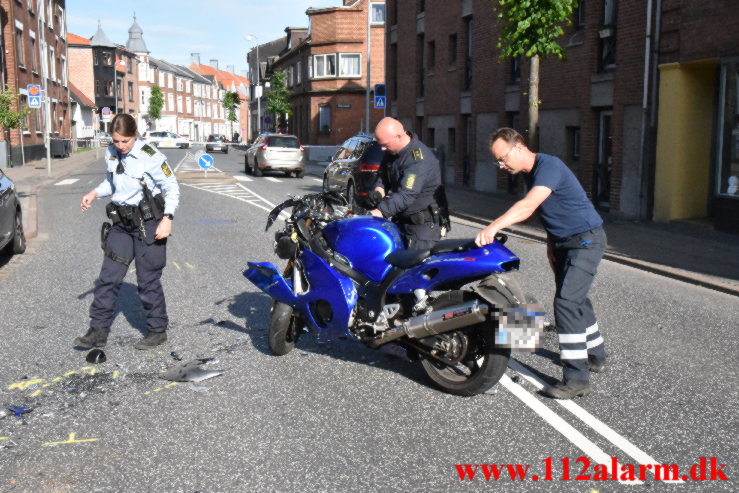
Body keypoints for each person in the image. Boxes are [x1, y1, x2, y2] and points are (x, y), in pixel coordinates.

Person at [476, 127, 606, 399]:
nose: (501, 165)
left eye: (502, 158)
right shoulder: (531, 173)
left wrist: (493, 227)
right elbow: (551, 213)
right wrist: (551, 248)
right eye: (497, 161)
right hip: (564, 243)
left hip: (585, 239)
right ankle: (595, 355)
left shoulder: (549, 165)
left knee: (567, 302)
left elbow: (529, 205)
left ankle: (576, 377)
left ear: (519, 147)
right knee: (576, 298)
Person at [75, 114, 180, 350]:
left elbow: (171, 187)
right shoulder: (111, 152)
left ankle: (156, 330)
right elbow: (111, 183)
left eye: (125, 141)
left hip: (148, 223)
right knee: (108, 278)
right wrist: (93, 193)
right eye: (116, 141)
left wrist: (168, 218)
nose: (121, 146)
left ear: (135, 136)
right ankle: (98, 331)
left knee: (147, 279)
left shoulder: (151, 156)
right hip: (121, 224)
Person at [369, 117, 448, 249]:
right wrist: (378, 191)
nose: (382, 149)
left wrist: (378, 213)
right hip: (401, 222)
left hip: (422, 230)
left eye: (385, 145)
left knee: (414, 268)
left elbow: (406, 195)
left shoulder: (418, 159)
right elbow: (383, 177)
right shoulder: (392, 152)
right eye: (380, 144)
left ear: (399, 136)